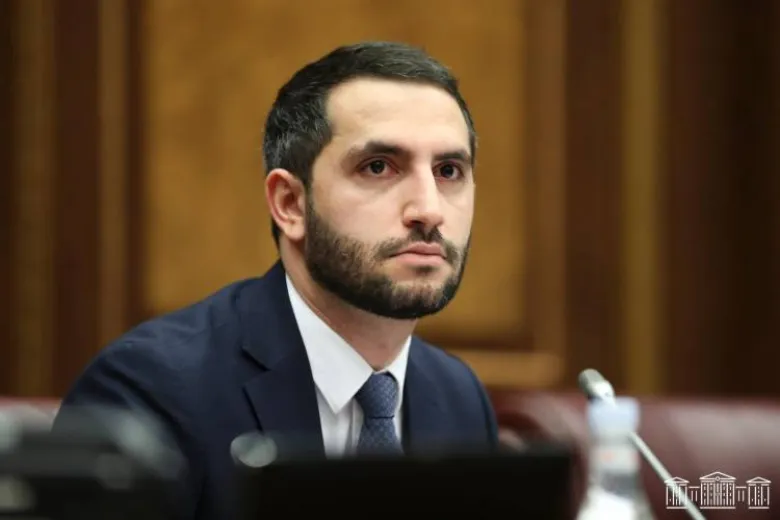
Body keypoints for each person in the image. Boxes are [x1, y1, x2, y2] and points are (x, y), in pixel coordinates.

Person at [53, 41, 498, 520]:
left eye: (449, 171)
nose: (429, 210)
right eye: (378, 167)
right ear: (290, 204)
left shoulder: (458, 398)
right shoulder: (151, 392)